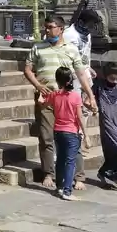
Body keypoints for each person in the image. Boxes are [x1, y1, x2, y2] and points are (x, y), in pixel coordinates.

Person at [24, 16, 96, 191]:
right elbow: (27, 69)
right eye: (45, 27)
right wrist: (38, 85)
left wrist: (90, 95)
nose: (46, 30)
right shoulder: (38, 47)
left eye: (50, 27)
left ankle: (78, 176)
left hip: (67, 99)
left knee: (72, 137)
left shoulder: (71, 49)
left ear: (61, 29)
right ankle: (49, 173)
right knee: (46, 137)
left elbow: (81, 74)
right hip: (46, 98)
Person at [48, 66, 85, 201]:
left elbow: (44, 103)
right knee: (70, 162)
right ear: (70, 80)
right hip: (71, 132)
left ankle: (59, 186)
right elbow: (80, 117)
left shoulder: (54, 95)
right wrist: (85, 133)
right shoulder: (75, 96)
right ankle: (67, 191)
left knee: (60, 160)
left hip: (58, 131)